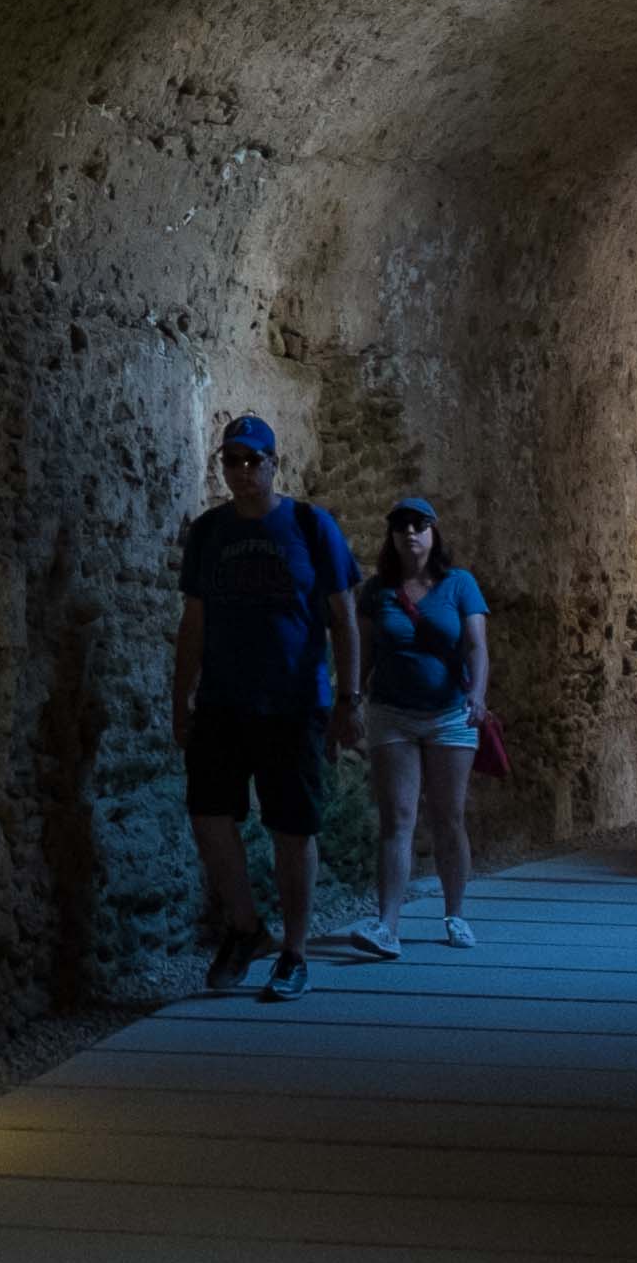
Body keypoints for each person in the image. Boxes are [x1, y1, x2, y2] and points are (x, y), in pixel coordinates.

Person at [170, 415, 360, 1001]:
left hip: (293, 703)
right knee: (209, 814)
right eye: (232, 461)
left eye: (254, 460)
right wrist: (180, 698)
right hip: (225, 701)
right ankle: (248, 927)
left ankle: (295, 952)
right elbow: (194, 623)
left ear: (275, 464)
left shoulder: (310, 525)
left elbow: (344, 619)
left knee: (291, 826)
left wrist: (349, 699)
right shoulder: (208, 533)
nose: (243, 471)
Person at [328, 496, 486, 959]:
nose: (410, 534)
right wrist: (349, 701)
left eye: (418, 525)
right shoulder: (377, 592)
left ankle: (455, 913)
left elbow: (476, 646)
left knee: (447, 817)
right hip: (393, 713)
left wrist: (477, 695)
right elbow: (365, 651)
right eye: (401, 527)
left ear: (434, 532)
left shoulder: (460, 585)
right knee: (397, 820)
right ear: (391, 536)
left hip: (450, 714)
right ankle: (387, 925)